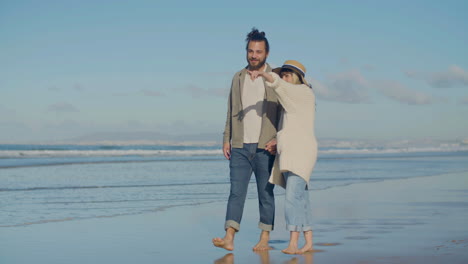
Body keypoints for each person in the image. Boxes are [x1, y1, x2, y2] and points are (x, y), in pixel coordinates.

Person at [212, 28, 281, 251]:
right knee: (236, 193)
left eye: (258, 51)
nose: (254, 55)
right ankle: (229, 237)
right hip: (240, 146)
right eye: (250, 51)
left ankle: (264, 239)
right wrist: (226, 138)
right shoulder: (238, 78)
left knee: (265, 194)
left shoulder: (275, 79)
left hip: (265, 147)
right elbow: (231, 110)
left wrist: (279, 139)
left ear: (266, 53)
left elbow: (285, 112)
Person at [248, 60, 317, 254]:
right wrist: (277, 140)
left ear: (296, 77)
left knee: (292, 198)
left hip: (301, 153)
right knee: (301, 198)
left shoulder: (303, 92)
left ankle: (293, 242)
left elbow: (277, 84)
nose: (283, 78)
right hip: (291, 152)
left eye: (287, 75)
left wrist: (263, 74)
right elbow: (292, 128)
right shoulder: (291, 101)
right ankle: (309, 241)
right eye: (282, 74)